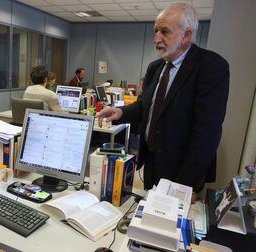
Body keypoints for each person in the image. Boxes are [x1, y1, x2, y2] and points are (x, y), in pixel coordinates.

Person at [96, 3, 229, 200]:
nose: (156, 38)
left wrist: (185, 184)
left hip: (182, 169)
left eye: (164, 31)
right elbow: (144, 106)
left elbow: (207, 133)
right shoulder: (155, 67)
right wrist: (121, 112)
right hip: (151, 162)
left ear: (186, 35)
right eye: (156, 31)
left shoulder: (211, 67)